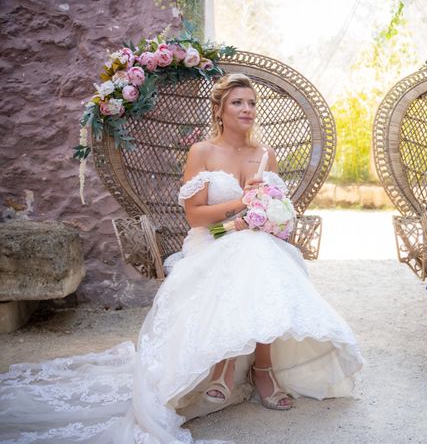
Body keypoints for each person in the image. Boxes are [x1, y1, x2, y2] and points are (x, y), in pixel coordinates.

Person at [0, 74, 364, 443]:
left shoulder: (265, 154)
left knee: (256, 252)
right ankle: (260, 370)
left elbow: (275, 211)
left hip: (254, 243)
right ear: (220, 110)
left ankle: (232, 370)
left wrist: (264, 217)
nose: (248, 109)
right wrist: (242, 205)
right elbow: (196, 217)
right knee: (250, 255)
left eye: (252, 103)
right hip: (210, 241)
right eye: (238, 102)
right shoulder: (202, 152)